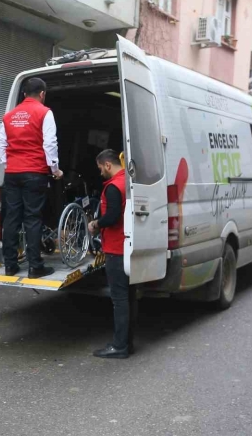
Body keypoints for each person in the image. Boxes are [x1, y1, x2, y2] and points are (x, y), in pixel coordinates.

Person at [0, 77, 63, 279]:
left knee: (11, 218)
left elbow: (0, 145)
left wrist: (8, 165)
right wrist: (55, 169)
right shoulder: (45, 113)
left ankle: (10, 265)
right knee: (32, 218)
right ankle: (35, 266)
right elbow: (49, 144)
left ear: (24, 94)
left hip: (12, 173)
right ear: (42, 94)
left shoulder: (9, 116)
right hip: (34, 172)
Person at [88, 149, 136, 359]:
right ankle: (127, 342)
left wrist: (96, 224)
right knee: (129, 297)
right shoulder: (129, 180)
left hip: (116, 249)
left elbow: (113, 216)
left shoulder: (113, 187)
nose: (100, 173)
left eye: (100, 168)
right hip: (129, 247)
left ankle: (119, 346)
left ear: (108, 165)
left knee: (119, 299)